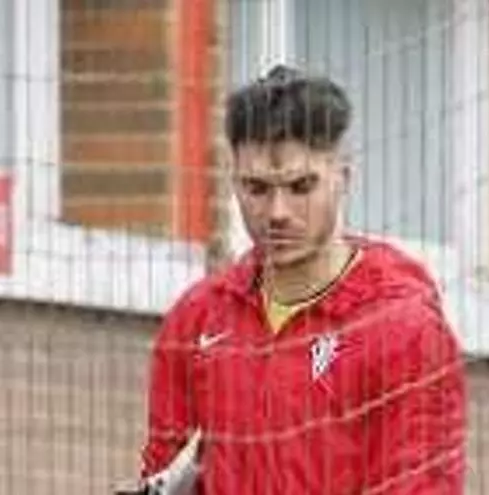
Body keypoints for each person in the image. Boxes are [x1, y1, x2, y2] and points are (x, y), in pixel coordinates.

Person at [137, 65, 467, 494]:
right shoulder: (196, 319)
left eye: (301, 186)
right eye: (257, 188)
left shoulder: (403, 328)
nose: (277, 212)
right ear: (233, 184)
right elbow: (162, 472)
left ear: (343, 178)